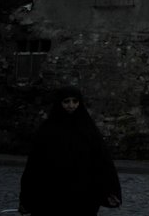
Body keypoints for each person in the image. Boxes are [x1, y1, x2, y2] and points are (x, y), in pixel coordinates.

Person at [18, 86, 122, 216]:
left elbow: (102, 161)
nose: (71, 105)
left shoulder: (88, 129)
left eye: (75, 101)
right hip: (52, 192)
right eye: (66, 101)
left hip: (83, 193)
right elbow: (34, 165)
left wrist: (110, 190)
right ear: (59, 103)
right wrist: (26, 199)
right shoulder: (48, 130)